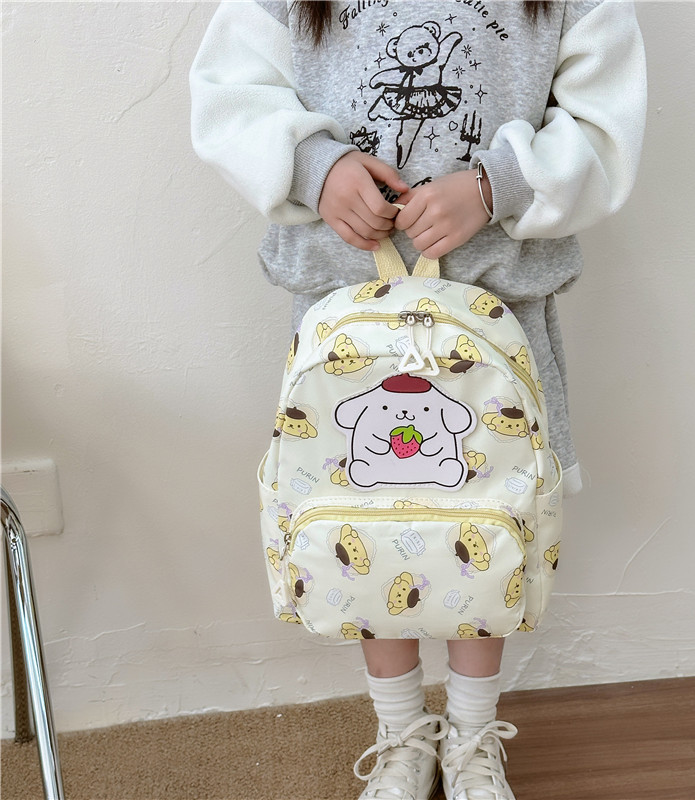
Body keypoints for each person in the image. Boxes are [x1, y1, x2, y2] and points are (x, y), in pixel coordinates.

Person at [190, 2, 646, 798]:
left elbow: (605, 118)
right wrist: (315, 167)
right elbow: (231, 88)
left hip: (495, 321)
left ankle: (472, 736)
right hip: (347, 325)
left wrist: (498, 185)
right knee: (365, 522)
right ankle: (401, 735)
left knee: (487, 521)